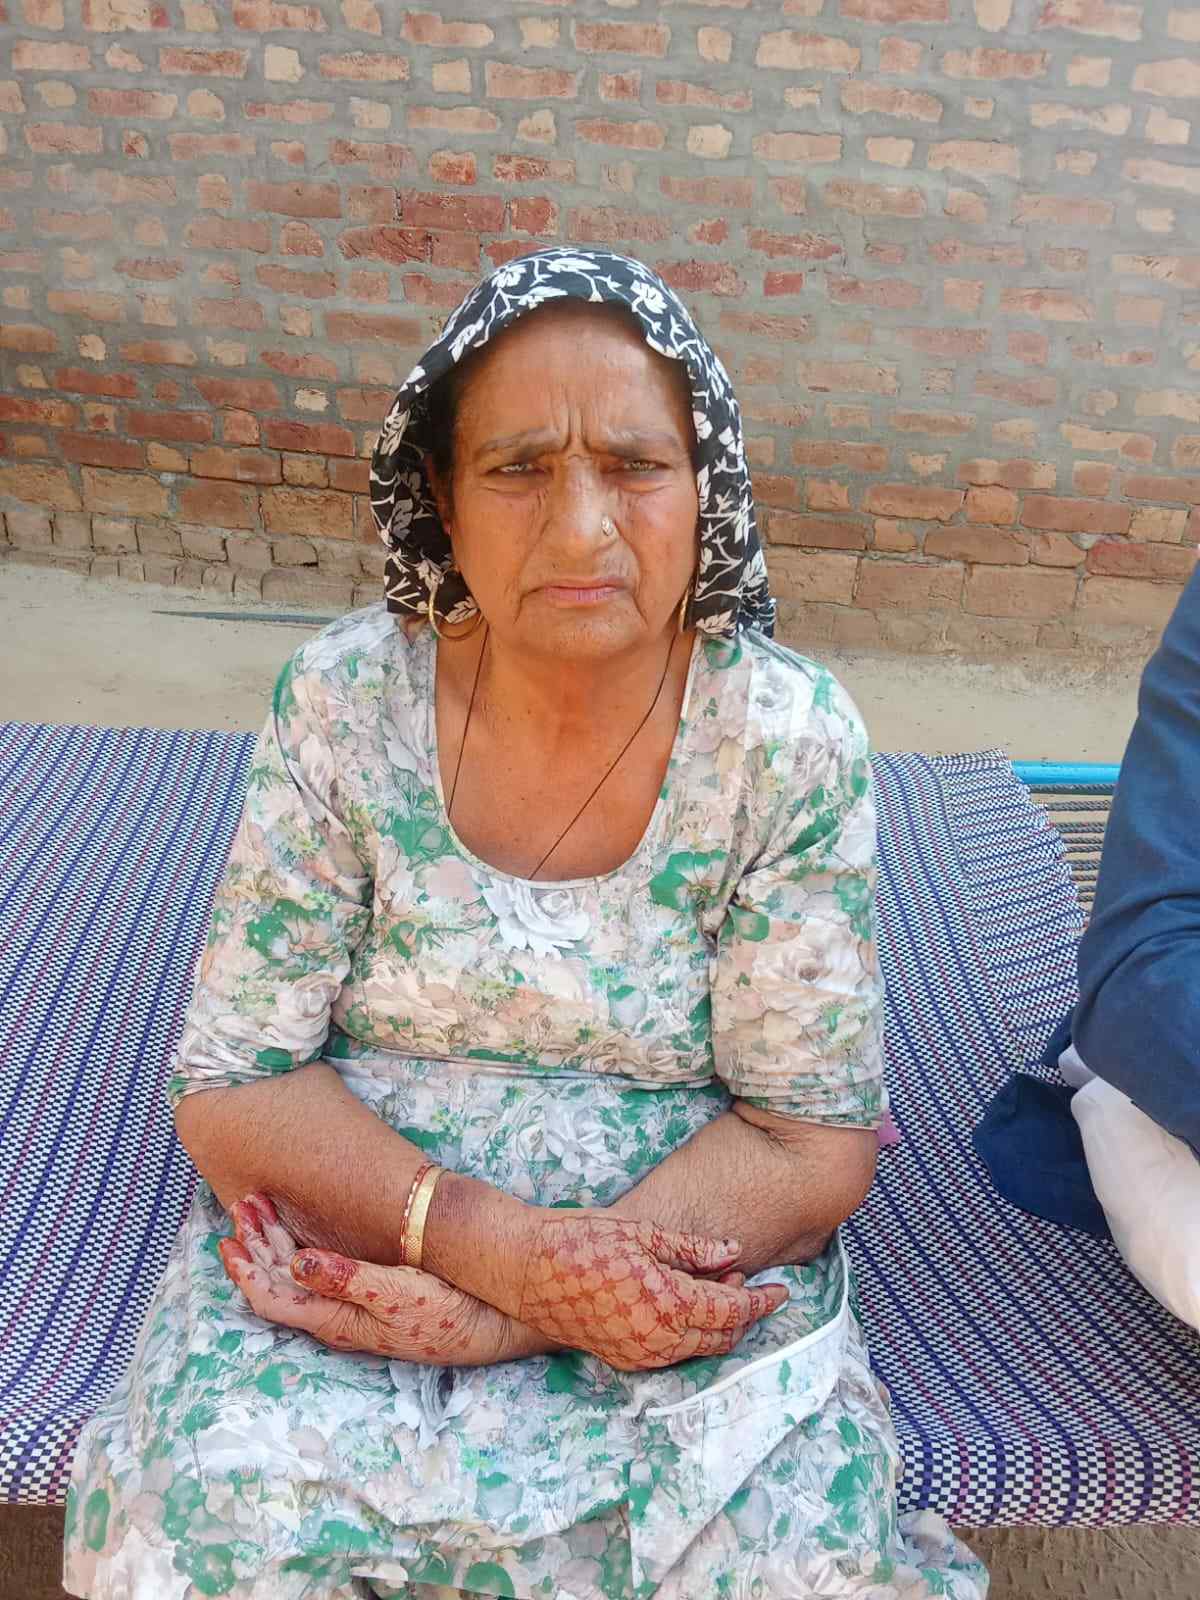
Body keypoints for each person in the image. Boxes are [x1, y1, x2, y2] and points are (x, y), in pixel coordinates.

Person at [63, 249, 986, 1599]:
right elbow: (234, 1081)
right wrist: (492, 1246)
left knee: (782, 1555)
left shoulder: (784, 740)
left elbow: (807, 1138)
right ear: (440, 495)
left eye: (635, 466)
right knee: (198, 1531)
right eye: (518, 469)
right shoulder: (344, 704)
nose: (580, 529)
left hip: (677, 1248)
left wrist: (519, 1309)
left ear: (704, 486)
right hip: (362, 1235)